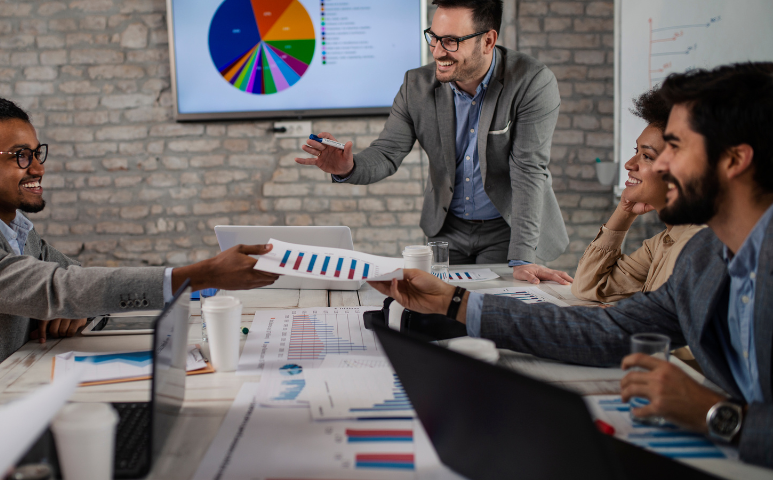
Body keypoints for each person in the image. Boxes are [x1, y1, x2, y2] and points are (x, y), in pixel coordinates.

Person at [369, 63, 773, 467]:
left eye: (676, 148)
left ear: (734, 160)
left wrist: (722, 417)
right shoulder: (705, 259)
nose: (661, 167)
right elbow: (607, 329)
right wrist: (452, 302)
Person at [0, 82, 279, 406]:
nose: (37, 167)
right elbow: (58, 287)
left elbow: (71, 277)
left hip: (25, 379)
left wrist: (70, 304)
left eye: (36, 152)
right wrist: (200, 274)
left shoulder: (11, 224)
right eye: (20, 156)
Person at [295, 0, 572, 286]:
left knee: (491, 314)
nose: (438, 51)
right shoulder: (416, 85)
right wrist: (348, 167)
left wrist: (523, 258)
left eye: (451, 41)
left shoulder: (532, 82)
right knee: (441, 312)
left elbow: (528, 171)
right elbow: (388, 152)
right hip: (446, 229)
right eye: (434, 38)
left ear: (488, 40)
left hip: (508, 228)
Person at [572, 88, 705, 302]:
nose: (629, 164)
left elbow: (660, 323)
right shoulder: (663, 242)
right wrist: (624, 211)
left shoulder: (694, 245)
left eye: (647, 156)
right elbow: (589, 287)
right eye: (636, 151)